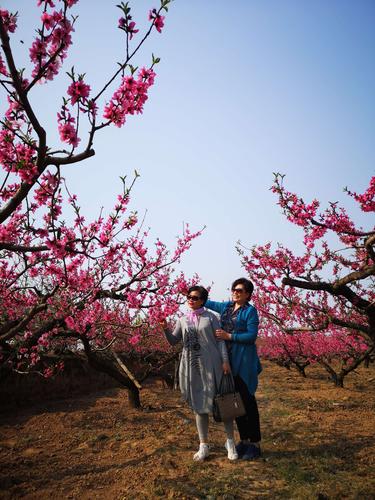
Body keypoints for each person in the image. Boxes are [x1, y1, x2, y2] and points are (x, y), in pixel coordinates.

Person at [162, 285, 238, 461]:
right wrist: (165, 328)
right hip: (192, 367)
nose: (190, 299)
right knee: (199, 405)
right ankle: (204, 444)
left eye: (195, 297)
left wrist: (225, 361)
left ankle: (230, 442)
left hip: (213, 365)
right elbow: (173, 341)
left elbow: (220, 342)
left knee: (223, 403)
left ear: (203, 300)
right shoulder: (182, 319)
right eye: (189, 296)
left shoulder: (212, 318)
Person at [205, 277, 262, 460]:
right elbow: (207, 302)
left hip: (244, 361)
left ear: (247, 294)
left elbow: (252, 336)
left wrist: (230, 336)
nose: (235, 292)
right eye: (234, 289)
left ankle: (255, 443)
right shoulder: (227, 307)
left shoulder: (250, 312)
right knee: (236, 403)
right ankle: (243, 440)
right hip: (227, 361)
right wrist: (191, 293)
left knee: (248, 402)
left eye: (239, 290)